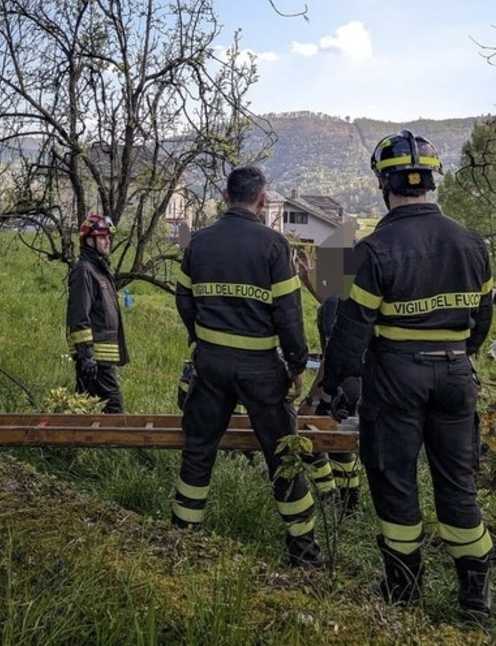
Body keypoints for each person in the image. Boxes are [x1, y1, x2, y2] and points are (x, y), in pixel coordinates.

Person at [320, 129, 494, 623]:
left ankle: (403, 590)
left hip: (395, 377)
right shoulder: (473, 244)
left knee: (394, 480)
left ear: (384, 184)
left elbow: (351, 332)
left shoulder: (374, 249)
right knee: (458, 485)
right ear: (431, 181)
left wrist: (331, 389)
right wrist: (458, 355)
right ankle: (475, 600)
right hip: (456, 373)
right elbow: (483, 319)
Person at [172, 165, 323, 569]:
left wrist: (201, 338)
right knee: (283, 456)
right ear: (262, 199)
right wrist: (296, 365)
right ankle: (305, 553)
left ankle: (181, 539)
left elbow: (183, 300)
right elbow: (289, 314)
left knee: (198, 450)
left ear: (225, 196)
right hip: (261, 371)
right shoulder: (274, 245)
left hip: (210, 366)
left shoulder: (198, 242)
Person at [295, 251, 361, 514]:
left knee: (306, 436)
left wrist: (313, 399)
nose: (316, 269)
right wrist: (307, 281)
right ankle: (349, 503)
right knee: (340, 442)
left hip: (340, 386)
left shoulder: (335, 303)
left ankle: (329, 495)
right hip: (360, 386)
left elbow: (332, 356)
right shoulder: (351, 297)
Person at [66, 214, 129, 413]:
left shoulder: (99, 269)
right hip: (95, 360)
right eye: (102, 237)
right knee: (113, 408)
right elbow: (79, 318)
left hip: (102, 360)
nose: (107, 241)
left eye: (108, 237)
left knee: (90, 410)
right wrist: (87, 356)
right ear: (89, 241)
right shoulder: (84, 271)